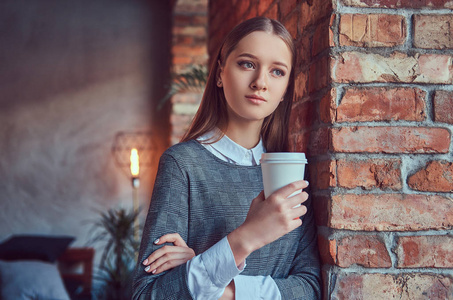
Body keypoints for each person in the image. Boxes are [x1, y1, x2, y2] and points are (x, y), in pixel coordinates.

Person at [132, 17, 321, 299]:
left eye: (277, 71)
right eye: (247, 64)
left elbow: (310, 289)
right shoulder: (182, 165)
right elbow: (149, 294)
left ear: (285, 91)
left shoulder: (292, 175)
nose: (260, 82)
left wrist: (218, 286)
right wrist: (246, 237)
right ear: (220, 73)